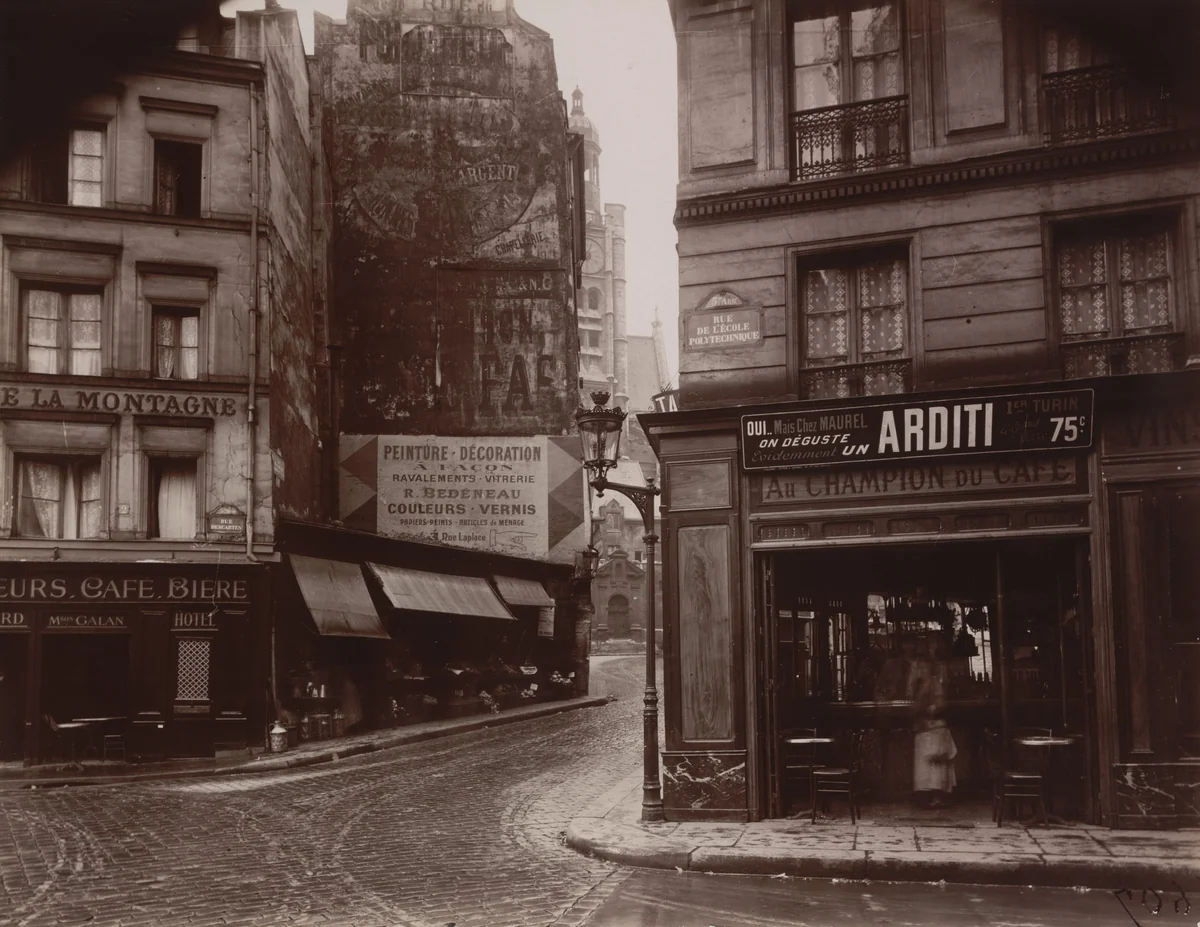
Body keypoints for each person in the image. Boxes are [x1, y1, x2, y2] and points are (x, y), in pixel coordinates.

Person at [908, 636, 956, 807]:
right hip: (925, 728)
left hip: (935, 728)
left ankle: (937, 797)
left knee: (935, 766)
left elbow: (941, 704)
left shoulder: (934, 682)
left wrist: (929, 710)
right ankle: (929, 796)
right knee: (927, 766)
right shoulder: (919, 684)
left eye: (919, 667)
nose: (917, 669)